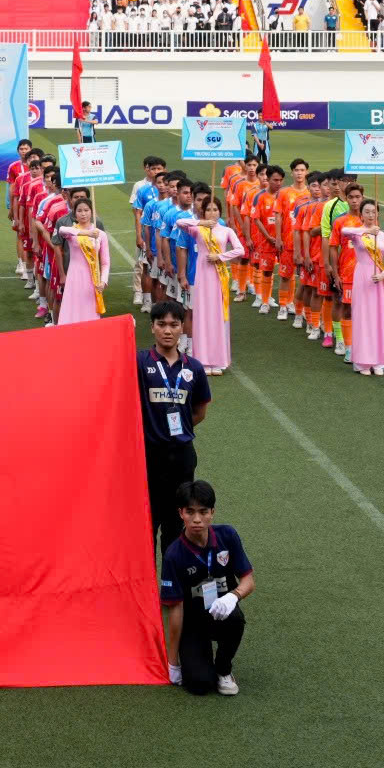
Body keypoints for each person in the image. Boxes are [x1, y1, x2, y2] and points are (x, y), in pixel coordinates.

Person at [158, 479, 252, 697]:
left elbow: (249, 581)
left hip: (222, 614)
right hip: (193, 622)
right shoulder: (174, 555)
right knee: (199, 685)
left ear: (212, 512)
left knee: (236, 618)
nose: (197, 519)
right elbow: (175, 609)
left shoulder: (228, 536)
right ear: (181, 513)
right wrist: (173, 663)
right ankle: (200, 656)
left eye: (203, 512)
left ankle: (224, 669)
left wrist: (232, 597)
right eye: (190, 512)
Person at [137, 299, 209, 548]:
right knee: (145, 526)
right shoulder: (140, 362)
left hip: (182, 457)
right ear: (152, 327)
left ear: (182, 328)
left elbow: (200, 411)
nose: (167, 331)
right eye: (161, 324)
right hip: (148, 456)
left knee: (174, 527)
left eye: (174, 325)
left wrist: (176, 430)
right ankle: (145, 587)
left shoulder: (194, 368)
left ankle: (170, 586)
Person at [176, 195, 242, 374]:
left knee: (218, 316)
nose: (212, 213)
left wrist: (220, 257)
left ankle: (219, 360)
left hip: (219, 276)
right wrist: (200, 223)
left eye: (215, 209)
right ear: (202, 212)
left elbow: (240, 250)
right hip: (202, 276)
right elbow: (180, 222)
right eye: (208, 210)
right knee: (201, 315)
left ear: (220, 211)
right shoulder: (198, 231)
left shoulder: (226, 231)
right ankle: (202, 361)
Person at [344, 196, 384, 377]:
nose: (371, 214)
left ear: (378, 214)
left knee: (378, 319)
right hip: (362, 277)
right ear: (361, 215)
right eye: (367, 212)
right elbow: (344, 230)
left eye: (374, 212)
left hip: (378, 280)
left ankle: (379, 360)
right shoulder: (357, 233)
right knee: (362, 318)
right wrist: (365, 231)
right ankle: (362, 361)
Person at [52, 194, 109, 326]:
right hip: (74, 278)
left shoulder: (101, 235)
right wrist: (86, 233)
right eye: (79, 211)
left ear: (92, 212)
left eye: (86, 210)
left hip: (93, 280)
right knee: (72, 311)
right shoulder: (73, 232)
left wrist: (103, 281)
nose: (83, 214)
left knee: (90, 312)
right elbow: (62, 230)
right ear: (74, 213)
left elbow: (105, 262)